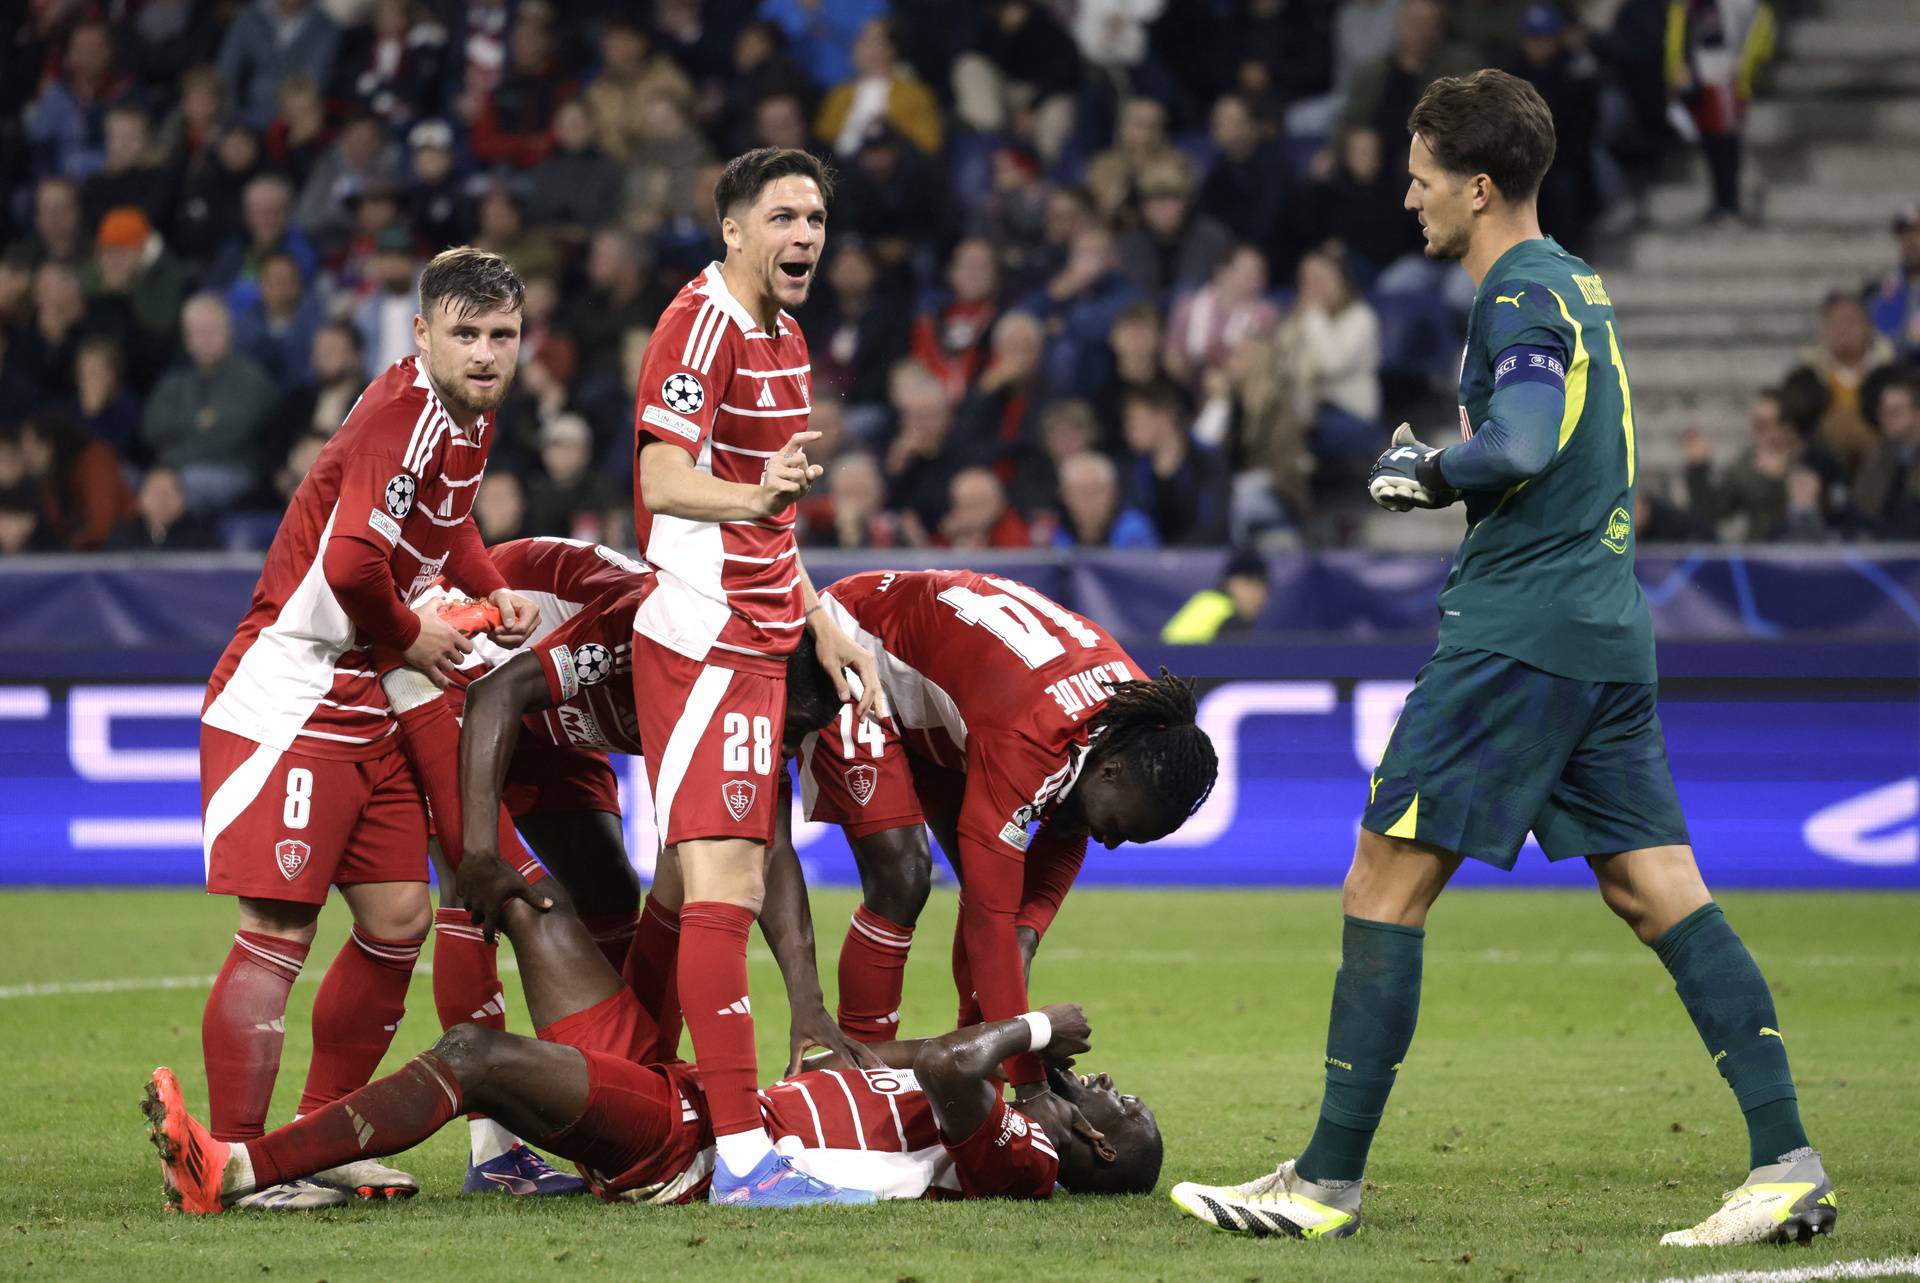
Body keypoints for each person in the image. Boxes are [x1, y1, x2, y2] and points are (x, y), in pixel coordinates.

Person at [1172, 70, 1833, 1248]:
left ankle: (1324, 1180)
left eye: (1423, 180)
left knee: (1383, 878)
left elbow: (1521, 440)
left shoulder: (1520, 292)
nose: (1409, 201)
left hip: (1518, 637)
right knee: (1656, 887)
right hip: (1605, 631)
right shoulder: (1578, 280)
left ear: (1479, 189)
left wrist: (1423, 469)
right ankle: (1787, 1159)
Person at [194, 247, 541, 1210]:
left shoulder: (468, 419)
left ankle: (313, 1140)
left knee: (397, 920)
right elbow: (351, 567)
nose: (483, 353)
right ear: (421, 333)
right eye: (463, 334)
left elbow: (449, 519)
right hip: (295, 690)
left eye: (500, 335)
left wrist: (488, 586)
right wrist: (415, 633)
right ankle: (231, 1157)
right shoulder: (401, 416)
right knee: (279, 924)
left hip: (363, 694)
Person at [146, 919, 1159, 1211]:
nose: (1112, 1082)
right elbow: (902, 1059)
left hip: (696, 1154)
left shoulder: (1026, 1160)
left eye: (1126, 1101)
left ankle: (238, 1166)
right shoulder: (999, 1113)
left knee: (475, 1056)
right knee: (530, 902)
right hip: (697, 1095)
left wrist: (1032, 1026)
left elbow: (945, 1066)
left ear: (1104, 1142)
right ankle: (506, 1153)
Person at [623, 146, 880, 1206]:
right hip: (704, 639)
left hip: (765, 632)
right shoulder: (700, 326)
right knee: (727, 880)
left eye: (816, 217)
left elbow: (771, 516)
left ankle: (618, 1091)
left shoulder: (790, 337)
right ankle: (741, 1156)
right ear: (733, 229)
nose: (805, 235)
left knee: (688, 888)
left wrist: (819, 612)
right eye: (783, 216)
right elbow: (660, 476)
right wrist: (755, 492)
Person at [799, 569, 1216, 1150]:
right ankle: (857, 1096)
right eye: (1118, 827)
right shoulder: (1036, 738)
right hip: (860, 647)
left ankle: (959, 1082)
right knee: (903, 875)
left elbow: (1046, 864)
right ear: (1113, 772)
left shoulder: (1135, 722)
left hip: (954, 705)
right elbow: (990, 921)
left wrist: (1029, 934)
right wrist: (1031, 1090)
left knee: (1004, 915)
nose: (1110, 843)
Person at [1160, 547, 1271, 642]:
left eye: (1262, 587)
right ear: (1229, 583)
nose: (1256, 595)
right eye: (1248, 585)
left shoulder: (1205, 599)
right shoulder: (1227, 616)